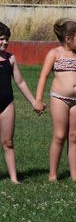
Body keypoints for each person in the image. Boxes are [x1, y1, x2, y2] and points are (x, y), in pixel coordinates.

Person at [33, 20, 76, 181]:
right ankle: (52, 175)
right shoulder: (54, 53)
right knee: (59, 135)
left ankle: (74, 175)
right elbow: (43, 77)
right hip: (59, 99)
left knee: (74, 136)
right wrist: (38, 100)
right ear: (68, 38)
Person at [0, 22, 38, 183]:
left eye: (7, 39)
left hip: (7, 104)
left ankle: (14, 178)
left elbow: (20, 82)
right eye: (1, 39)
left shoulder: (11, 59)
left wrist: (33, 102)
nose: (5, 42)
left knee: (8, 142)